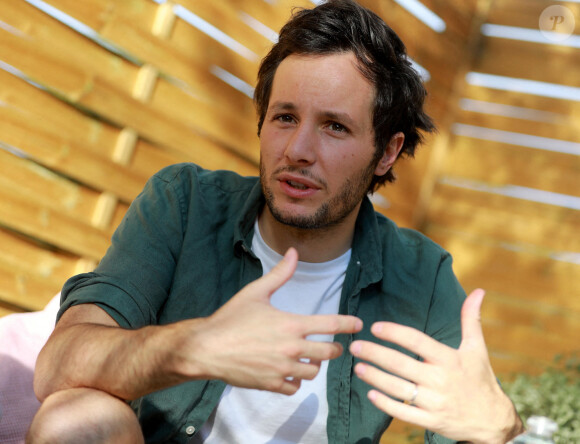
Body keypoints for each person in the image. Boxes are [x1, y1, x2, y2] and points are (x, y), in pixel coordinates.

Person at [28, 0, 524, 443]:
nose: (297, 151)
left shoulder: (422, 277)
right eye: (285, 117)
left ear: (386, 152)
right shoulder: (185, 204)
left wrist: (498, 429)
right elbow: (58, 365)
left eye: (334, 126)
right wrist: (193, 346)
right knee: (76, 417)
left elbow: (471, 416)